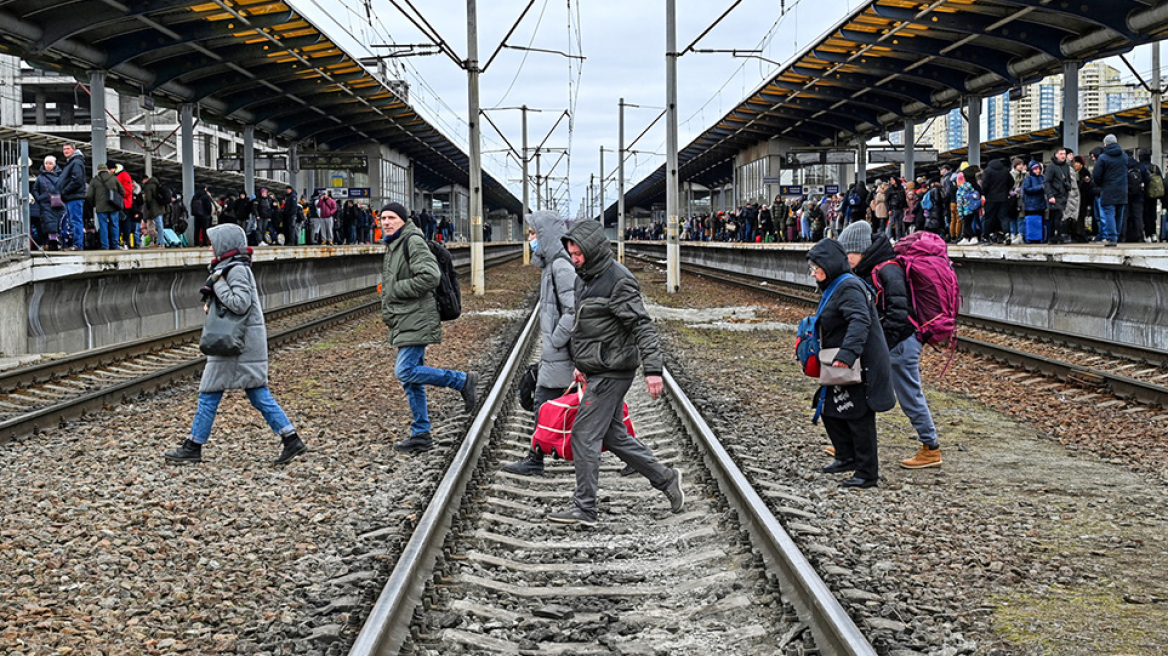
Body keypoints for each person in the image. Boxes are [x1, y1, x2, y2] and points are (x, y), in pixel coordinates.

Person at [546, 219, 683, 526]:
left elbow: (641, 326)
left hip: (613, 371)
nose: (574, 258)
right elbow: (585, 326)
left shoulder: (618, 281)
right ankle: (665, 478)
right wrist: (581, 365)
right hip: (597, 369)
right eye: (571, 252)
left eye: (578, 252)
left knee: (584, 434)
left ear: (592, 250)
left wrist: (653, 371)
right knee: (615, 437)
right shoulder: (584, 277)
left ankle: (585, 508)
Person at [164, 223, 306, 465]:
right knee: (255, 393)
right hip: (239, 342)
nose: (210, 247)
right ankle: (291, 439)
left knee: (211, 392)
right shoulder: (230, 267)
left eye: (213, 242)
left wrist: (216, 282)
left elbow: (240, 303)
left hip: (237, 344)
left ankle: (193, 446)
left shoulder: (235, 269)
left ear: (224, 244)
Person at [378, 202, 478, 454]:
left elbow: (429, 276)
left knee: (405, 371)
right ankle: (421, 434)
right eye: (383, 218)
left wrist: (394, 290)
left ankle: (462, 380)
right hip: (405, 317)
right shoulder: (394, 245)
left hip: (416, 317)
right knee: (412, 382)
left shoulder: (412, 242)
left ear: (403, 220)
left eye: (391, 218)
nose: (386, 222)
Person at [840, 221, 941, 469]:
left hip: (902, 342)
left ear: (861, 249)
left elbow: (898, 312)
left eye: (848, 253)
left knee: (908, 393)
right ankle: (851, 443)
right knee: (861, 388)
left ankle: (931, 449)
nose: (845, 259)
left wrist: (882, 344)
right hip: (887, 341)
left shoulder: (888, 269)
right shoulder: (868, 268)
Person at [807, 239, 894, 488]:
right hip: (843, 361)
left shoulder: (849, 287)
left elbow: (859, 321)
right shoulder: (836, 285)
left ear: (829, 265)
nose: (813, 273)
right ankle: (846, 456)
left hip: (859, 364)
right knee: (829, 409)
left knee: (858, 416)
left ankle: (867, 473)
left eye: (816, 268)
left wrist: (847, 355)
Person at [501, 211, 577, 476]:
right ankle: (537, 457)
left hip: (561, 354)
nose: (530, 239)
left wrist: (555, 340)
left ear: (545, 235)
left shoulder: (560, 266)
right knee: (550, 404)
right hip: (555, 355)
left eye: (533, 234)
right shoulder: (550, 266)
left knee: (543, 403)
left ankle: (536, 459)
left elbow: (574, 310)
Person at [1092, 136, 1127, 247]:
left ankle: (1112, 238)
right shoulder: (1124, 157)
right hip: (1122, 190)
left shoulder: (1103, 158)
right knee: (1119, 215)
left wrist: (1101, 184)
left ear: (1106, 144)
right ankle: (1116, 236)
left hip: (1108, 190)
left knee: (1109, 214)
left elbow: (1096, 175)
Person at [85, 162, 123, 250]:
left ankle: (105, 246)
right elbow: (122, 191)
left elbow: (89, 195)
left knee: (103, 226)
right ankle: (115, 245)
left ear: (98, 171)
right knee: (114, 225)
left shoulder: (94, 180)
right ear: (107, 170)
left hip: (101, 207)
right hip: (114, 206)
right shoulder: (114, 178)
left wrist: (95, 204)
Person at [58, 143, 87, 250]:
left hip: (74, 196)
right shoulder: (73, 162)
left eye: (68, 149)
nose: (65, 151)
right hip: (72, 196)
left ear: (74, 149)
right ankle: (76, 244)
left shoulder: (76, 162)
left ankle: (78, 245)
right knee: (73, 221)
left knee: (75, 220)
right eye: (64, 149)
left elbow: (77, 179)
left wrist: (65, 190)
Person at [33, 155, 65, 250]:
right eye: (46, 163)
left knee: (57, 223)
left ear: (54, 165)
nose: (48, 165)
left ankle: (55, 241)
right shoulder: (40, 178)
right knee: (48, 224)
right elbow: (35, 189)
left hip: (58, 204)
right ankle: (52, 242)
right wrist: (39, 198)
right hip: (46, 204)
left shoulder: (60, 176)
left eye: (50, 163)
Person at [1044, 148, 1072, 244]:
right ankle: (1054, 236)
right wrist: (1050, 195)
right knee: (1055, 216)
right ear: (1056, 155)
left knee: (1059, 216)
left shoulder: (1066, 166)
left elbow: (1068, 179)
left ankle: (1058, 236)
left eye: (1064, 154)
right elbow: (1047, 182)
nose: (1063, 156)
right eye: (1061, 154)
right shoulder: (1051, 167)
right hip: (1054, 195)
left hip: (1063, 195)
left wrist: (1068, 186)